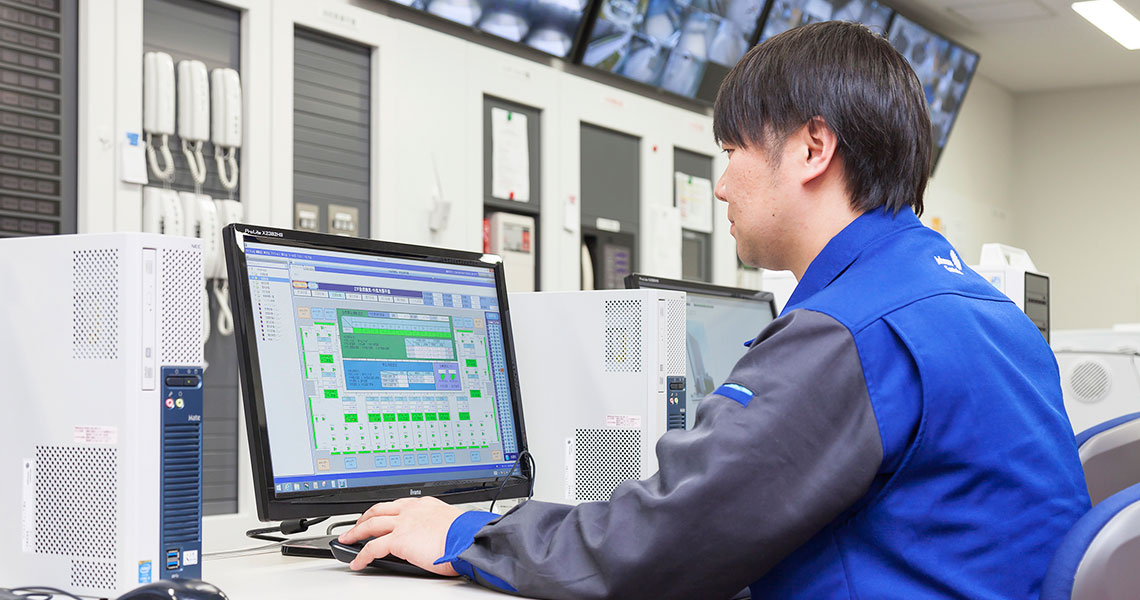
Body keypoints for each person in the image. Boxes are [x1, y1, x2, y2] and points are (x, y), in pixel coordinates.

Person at [338, 21, 1090, 599]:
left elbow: (658, 544)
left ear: (812, 148)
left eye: (732, 150)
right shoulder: (985, 311)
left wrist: (467, 532)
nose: (721, 185)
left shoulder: (853, 333)